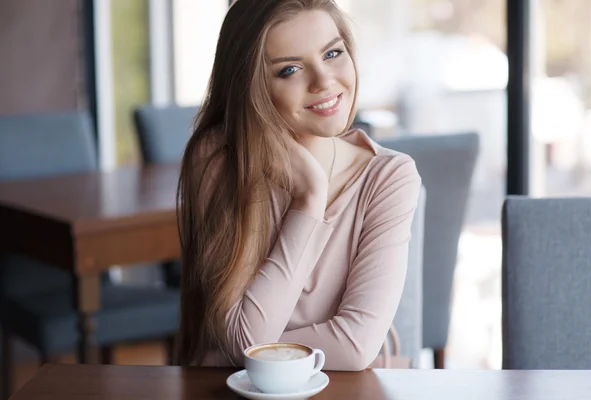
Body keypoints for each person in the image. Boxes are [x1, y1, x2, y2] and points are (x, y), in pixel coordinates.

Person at [176, 0, 421, 371]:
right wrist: (310, 197)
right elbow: (245, 342)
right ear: (252, 87)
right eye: (289, 69)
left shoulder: (389, 176)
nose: (324, 81)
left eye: (333, 53)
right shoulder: (218, 160)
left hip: (347, 389)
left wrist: (253, 349)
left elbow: (355, 348)